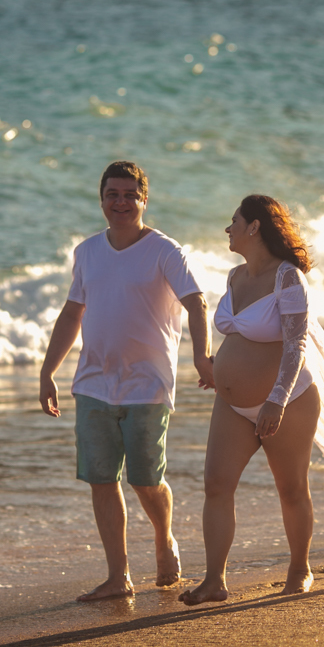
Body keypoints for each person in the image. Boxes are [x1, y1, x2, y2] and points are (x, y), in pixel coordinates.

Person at [179, 195, 324, 606]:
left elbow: (296, 344)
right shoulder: (235, 276)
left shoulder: (288, 278)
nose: (228, 229)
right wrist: (219, 370)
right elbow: (239, 334)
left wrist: (276, 400)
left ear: (254, 227)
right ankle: (214, 581)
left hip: (288, 401)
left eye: (234, 221)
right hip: (232, 405)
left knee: (291, 489)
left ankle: (300, 569)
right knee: (216, 484)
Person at [40, 161, 215, 602]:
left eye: (129, 195)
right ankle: (118, 576)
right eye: (112, 195)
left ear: (144, 200)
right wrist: (48, 371)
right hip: (93, 383)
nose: (120, 202)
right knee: (101, 479)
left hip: (148, 385)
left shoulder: (165, 251)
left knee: (145, 480)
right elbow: (72, 313)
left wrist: (201, 357)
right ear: (101, 199)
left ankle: (164, 537)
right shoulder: (87, 252)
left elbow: (196, 303)